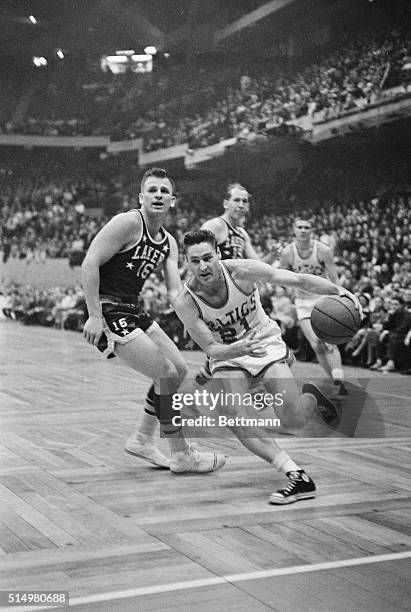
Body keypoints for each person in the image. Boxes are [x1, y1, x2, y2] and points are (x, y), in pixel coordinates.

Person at [173, 230, 361, 504]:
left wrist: (337, 290)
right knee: (230, 411)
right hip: (228, 354)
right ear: (187, 263)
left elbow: (296, 280)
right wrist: (234, 350)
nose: (203, 266)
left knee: (293, 421)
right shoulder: (185, 301)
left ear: (219, 255)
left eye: (207, 258)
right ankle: (296, 475)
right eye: (195, 260)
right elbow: (211, 349)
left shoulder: (244, 271)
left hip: (264, 343)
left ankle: (310, 398)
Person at [81, 168, 226, 474]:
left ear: (173, 200)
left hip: (132, 309)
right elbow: (90, 262)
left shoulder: (170, 243)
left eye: (164, 191)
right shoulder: (128, 222)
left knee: (179, 370)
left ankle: (143, 438)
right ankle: (181, 454)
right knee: (164, 373)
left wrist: (207, 316)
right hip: (108, 309)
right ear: (142, 197)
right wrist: (94, 316)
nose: (158, 194)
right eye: (153, 190)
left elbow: (176, 294)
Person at [195, 183, 279, 384]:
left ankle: (206, 375)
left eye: (245, 201)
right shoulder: (215, 226)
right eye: (237, 200)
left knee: (255, 352)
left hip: (240, 299)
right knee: (239, 356)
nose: (241, 205)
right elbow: (196, 252)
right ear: (226, 203)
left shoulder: (242, 233)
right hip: (218, 299)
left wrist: (272, 255)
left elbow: (256, 266)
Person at [280, 216, 348, 398]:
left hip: (322, 299)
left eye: (306, 227)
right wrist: (289, 293)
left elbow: (334, 278)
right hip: (302, 302)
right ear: (294, 230)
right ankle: (334, 379)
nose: (303, 230)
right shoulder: (288, 253)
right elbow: (280, 277)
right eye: (299, 227)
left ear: (312, 230)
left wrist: (341, 296)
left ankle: (339, 383)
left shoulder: (323, 250)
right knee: (317, 345)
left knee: (327, 340)